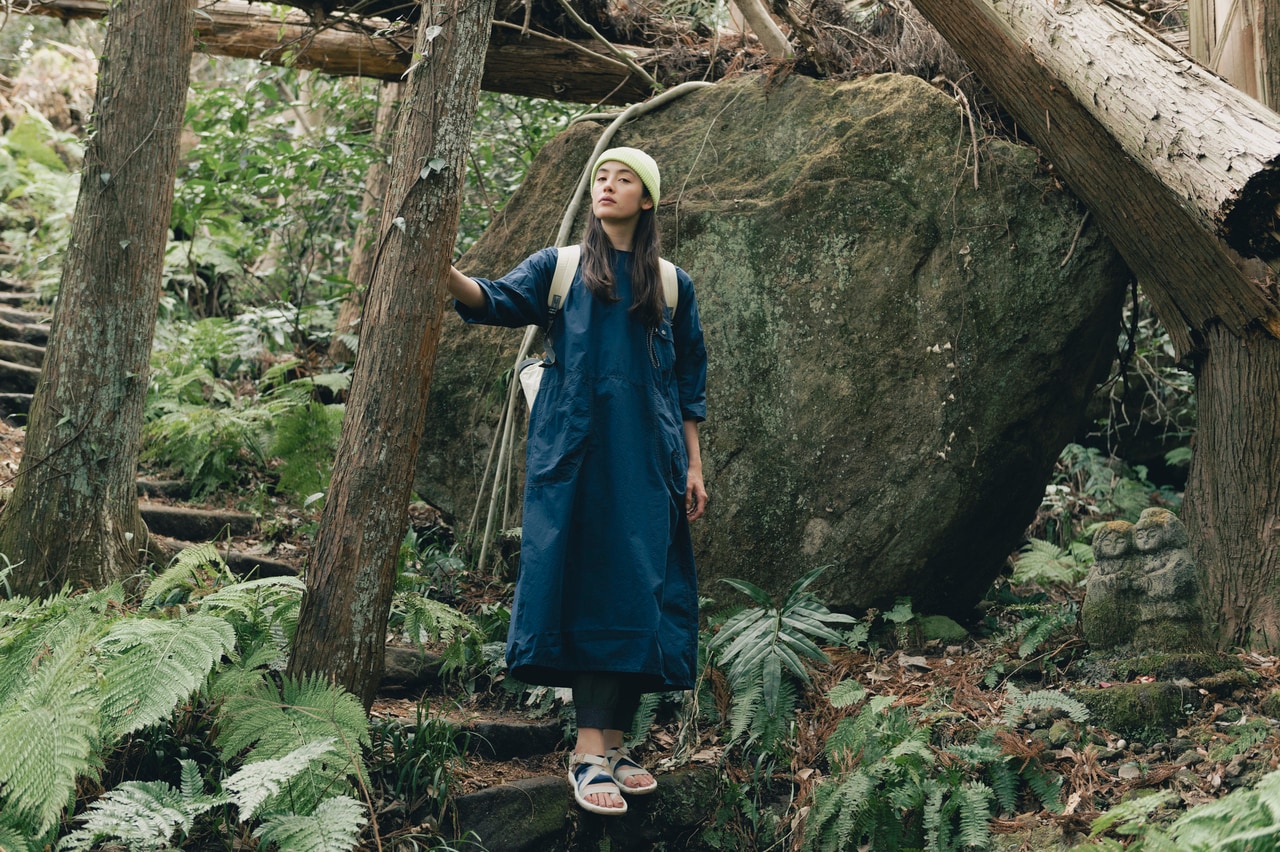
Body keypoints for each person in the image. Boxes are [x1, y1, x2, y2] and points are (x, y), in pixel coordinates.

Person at [446, 147, 708, 816]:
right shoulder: (559, 268)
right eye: (601, 177)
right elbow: (496, 301)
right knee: (592, 585)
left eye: (624, 180)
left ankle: (615, 745)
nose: (608, 186)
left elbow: (687, 384)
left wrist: (694, 464)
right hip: (576, 452)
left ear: (646, 200)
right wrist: (442, 273)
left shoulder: (673, 284)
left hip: (648, 457)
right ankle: (588, 752)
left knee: (641, 589)